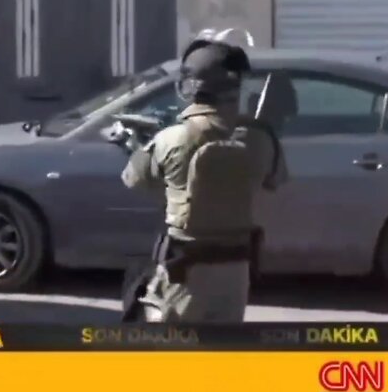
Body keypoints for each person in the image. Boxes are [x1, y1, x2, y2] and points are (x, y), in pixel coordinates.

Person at [118, 38, 288, 323]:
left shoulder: (172, 138)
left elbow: (134, 180)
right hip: (236, 271)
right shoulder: (262, 137)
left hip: (184, 273)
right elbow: (274, 181)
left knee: (174, 358)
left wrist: (137, 146)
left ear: (191, 87)